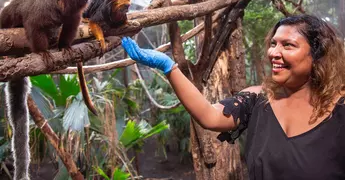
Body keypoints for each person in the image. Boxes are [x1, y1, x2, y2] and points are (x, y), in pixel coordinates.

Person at [121, 14, 345, 180]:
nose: (274, 53)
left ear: (318, 54)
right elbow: (210, 116)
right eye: (274, 43)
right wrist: (169, 67)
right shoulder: (259, 99)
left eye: (288, 45)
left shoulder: (340, 108)